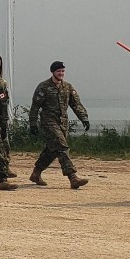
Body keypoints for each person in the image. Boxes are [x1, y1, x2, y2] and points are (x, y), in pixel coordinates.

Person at [27, 61, 90, 189]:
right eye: (58, 71)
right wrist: (33, 123)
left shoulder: (67, 87)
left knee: (52, 150)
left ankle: (36, 173)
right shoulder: (43, 87)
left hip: (63, 123)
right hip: (49, 122)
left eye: (62, 71)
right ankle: (73, 177)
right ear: (53, 72)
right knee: (62, 146)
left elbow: (76, 104)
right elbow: (35, 106)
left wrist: (84, 118)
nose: (61, 73)